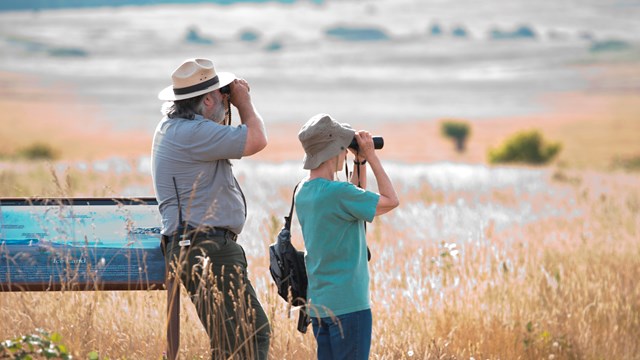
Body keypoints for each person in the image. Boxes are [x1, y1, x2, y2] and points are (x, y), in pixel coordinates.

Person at [151, 58, 270, 359]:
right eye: (221, 95)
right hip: (207, 246)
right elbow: (257, 139)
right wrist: (244, 102)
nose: (226, 100)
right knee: (245, 339)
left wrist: (226, 104)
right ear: (207, 99)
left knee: (235, 340)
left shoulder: (174, 128)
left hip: (199, 244)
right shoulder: (193, 133)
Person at [295, 113, 400, 360]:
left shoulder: (303, 191)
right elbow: (391, 201)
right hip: (349, 306)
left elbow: (352, 202)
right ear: (335, 150)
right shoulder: (338, 193)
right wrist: (371, 156)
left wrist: (359, 163)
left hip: (320, 304)